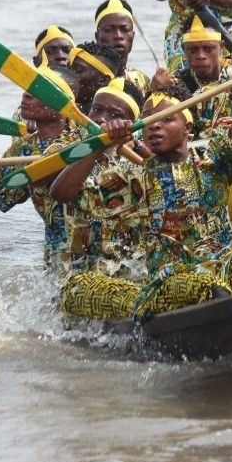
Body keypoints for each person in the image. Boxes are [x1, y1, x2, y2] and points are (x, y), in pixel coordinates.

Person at [51, 50, 232, 321]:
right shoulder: (134, 178)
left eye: (167, 119)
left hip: (222, 269)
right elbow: (62, 193)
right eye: (147, 121)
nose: (154, 128)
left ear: (188, 128)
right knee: (203, 285)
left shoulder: (215, 158)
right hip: (170, 282)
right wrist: (98, 144)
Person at [0, 66, 81, 270]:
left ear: (61, 104)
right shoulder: (23, 149)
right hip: (56, 257)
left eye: (37, 90)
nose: (26, 94)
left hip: (103, 252)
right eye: (27, 87)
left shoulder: (87, 139)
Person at [59, 77, 150, 318]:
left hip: (125, 277)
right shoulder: (64, 151)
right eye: (96, 110)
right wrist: (97, 146)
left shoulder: (138, 163)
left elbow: (159, 173)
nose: (101, 119)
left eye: (114, 114)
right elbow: (61, 191)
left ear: (129, 125)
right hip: (77, 279)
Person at [153, 17, 231, 94]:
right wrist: (156, 91)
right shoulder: (173, 83)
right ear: (184, 50)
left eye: (208, 49)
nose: (201, 56)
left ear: (221, 48)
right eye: (193, 50)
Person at [93, 0, 153, 95]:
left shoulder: (142, 80)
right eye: (108, 30)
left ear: (133, 36)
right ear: (97, 37)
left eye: (124, 30)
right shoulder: (88, 78)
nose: (118, 36)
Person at [68, 41, 119, 112]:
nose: (69, 74)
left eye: (78, 70)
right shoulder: (62, 112)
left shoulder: (106, 121)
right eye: (68, 68)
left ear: (104, 80)